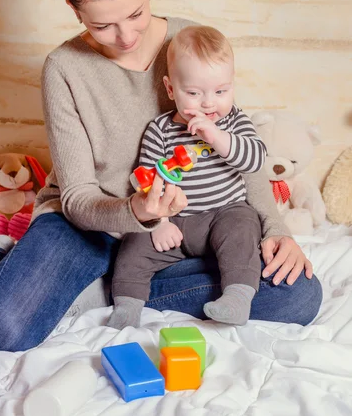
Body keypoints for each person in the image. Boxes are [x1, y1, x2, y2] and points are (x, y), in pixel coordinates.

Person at [0, 0, 322, 353]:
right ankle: (4, 262)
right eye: (101, 25)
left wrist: (274, 230)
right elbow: (77, 196)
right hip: (88, 224)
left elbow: (235, 145)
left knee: (297, 296)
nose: (125, 36)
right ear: (73, 9)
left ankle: (111, 287)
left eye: (135, 13)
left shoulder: (192, 40)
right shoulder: (63, 68)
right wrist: (135, 212)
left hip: (187, 226)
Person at [108, 25, 267, 330]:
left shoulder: (234, 120)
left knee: (245, 225)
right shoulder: (161, 129)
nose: (209, 103)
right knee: (133, 246)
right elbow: (149, 182)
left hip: (224, 214)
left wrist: (218, 137)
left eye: (221, 91)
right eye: (194, 93)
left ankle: (237, 297)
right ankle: (126, 307)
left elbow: (255, 158)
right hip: (175, 221)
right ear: (171, 89)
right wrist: (159, 223)